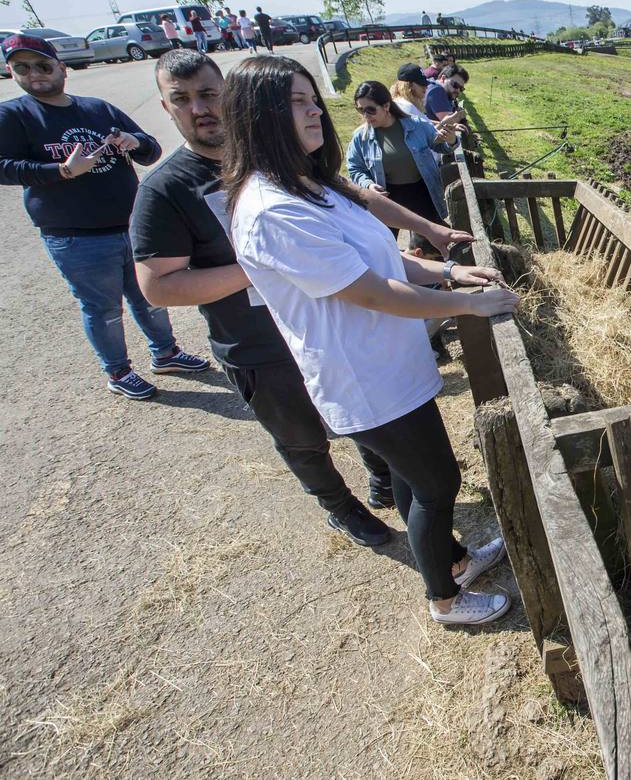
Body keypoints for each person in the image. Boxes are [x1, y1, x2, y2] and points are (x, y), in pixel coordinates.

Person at [221, 54, 517, 626]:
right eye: (295, 104)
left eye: (312, 100)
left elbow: (385, 257)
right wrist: (468, 304)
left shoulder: (309, 183)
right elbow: (372, 291)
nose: (313, 114)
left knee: (414, 478)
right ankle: (445, 600)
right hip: (362, 376)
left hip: (388, 362)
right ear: (256, 117)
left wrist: (449, 274)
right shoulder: (271, 209)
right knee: (437, 485)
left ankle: (453, 562)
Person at [130, 51, 466, 541]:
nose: (199, 108)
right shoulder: (167, 189)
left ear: (236, 99)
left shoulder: (283, 160)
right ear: (166, 107)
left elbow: (356, 196)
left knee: (364, 420)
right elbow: (157, 286)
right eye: (181, 99)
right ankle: (340, 506)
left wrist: (429, 230)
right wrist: (270, 265)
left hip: (328, 321)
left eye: (208, 94)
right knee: (303, 437)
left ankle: (384, 484)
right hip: (257, 341)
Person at [0, 34, 209, 398]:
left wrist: (135, 142)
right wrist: (61, 171)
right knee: (103, 308)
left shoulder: (97, 109)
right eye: (22, 68)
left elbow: (150, 148)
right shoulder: (14, 115)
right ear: (10, 72)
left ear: (62, 69)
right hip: (76, 235)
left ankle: (166, 353)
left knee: (150, 296)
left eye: (43, 66)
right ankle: (118, 371)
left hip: (129, 225)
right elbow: (4, 167)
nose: (35, 75)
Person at [346, 79, 455, 253]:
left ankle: (434, 278)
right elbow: (355, 168)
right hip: (387, 197)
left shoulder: (417, 125)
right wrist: (368, 184)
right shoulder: (361, 137)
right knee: (384, 245)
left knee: (429, 244)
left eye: (370, 109)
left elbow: (441, 146)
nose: (366, 115)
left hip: (422, 192)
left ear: (386, 105)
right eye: (361, 110)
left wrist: (450, 139)